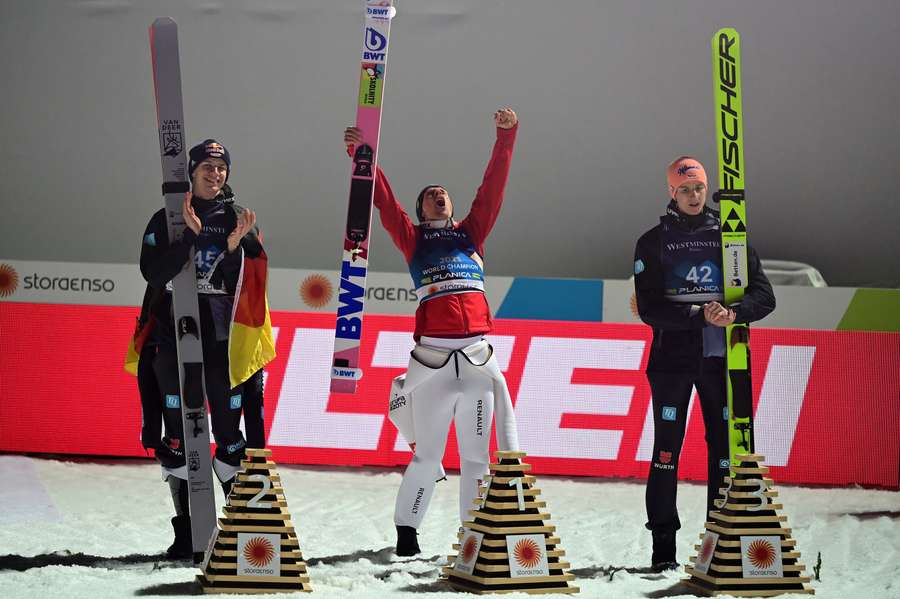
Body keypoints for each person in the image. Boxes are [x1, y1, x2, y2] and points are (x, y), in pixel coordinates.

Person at [344, 108, 521, 557]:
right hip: (434, 365)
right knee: (426, 457)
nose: (440, 198)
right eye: (431, 196)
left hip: (478, 363)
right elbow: (384, 203)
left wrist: (506, 136)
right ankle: (407, 534)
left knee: (477, 462)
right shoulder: (413, 238)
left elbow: (492, 191)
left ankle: (475, 538)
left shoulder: (471, 235)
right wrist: (362, 158)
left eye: (444, 195)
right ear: (422, 209)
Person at [128, 139, 275, 559]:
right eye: (207, 167)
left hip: (223, 340)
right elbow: (152, 272)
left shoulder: (237, 217)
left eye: (221, 168)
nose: (215, 174)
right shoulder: (167, 218)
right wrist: (188, 239)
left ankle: (238, 533)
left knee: (230, 439)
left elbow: (255, 278)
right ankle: (187, 534)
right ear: (191, 172)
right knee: (175, 438)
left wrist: (235, 248)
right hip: (173, 337)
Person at [632, 156, 775, 571]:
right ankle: (663, 552)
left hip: (721, 361)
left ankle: (720, 543)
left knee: (724, 453)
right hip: (671, 362)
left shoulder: (729, 234)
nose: (693, 196)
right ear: (671, 193)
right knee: (665, 452)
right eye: (684, 190)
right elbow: (650, 307)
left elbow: (765, 297)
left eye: (698, 188)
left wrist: (734, 313)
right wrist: (696, 314)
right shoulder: (652, 241)